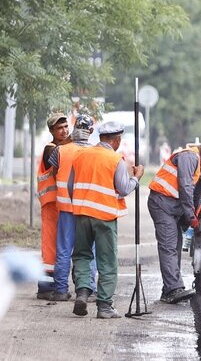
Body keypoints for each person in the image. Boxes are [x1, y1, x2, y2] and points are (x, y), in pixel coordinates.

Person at [69, 121, 143, 318]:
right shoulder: (114, 159)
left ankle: (83, 293)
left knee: (82, 255)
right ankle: (104, 307)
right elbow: (124, 188)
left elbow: (71, 186)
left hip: (82, 214)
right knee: (107, 261)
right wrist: (137, 177)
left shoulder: (81, 155)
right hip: (105, 216)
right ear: (117, 140)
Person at [148, 138, 201, 304]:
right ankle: (173, 289)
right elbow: (185, 187)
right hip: (162, 202)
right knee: (169, 245)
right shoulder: (190, 157)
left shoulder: (200, 166)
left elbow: (198, 196)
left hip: (171, 206)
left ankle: (169, 288)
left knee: (175, 244)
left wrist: (199, 217)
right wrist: (190, 216)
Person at [48, 114, 96, 302]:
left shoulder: (60, 151)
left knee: (63, 250)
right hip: (87, 208)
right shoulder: (95, 152)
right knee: (87, 251)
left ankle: (60, 290)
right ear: (90, 131)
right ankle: (88, 288)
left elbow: (53, 173)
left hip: (66, 207)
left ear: (75, 128)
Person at [35, 112, 70, 300]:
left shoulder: (63, 147)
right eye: (59, 128)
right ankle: (45, 287)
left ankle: (53, 284)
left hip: (58, 202)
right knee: (50, 247)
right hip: (51, 204)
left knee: (58, 246)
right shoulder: (51, 148)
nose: (64, 131)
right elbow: (57, 156)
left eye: (66, 127)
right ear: (51, 131)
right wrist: (76, 139)